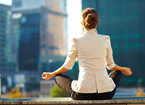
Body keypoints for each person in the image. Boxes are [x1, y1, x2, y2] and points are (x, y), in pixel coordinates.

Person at [42, 8, 132, 100]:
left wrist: (52, 74)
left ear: (82, 23)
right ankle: (106, 84)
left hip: (83, 94)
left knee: (58, 76)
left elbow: (68, 66)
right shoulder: (105, 39)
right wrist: (123, 69)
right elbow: (111, 66)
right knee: (118, 72)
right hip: (106, 93)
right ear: (97, 23)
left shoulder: (76, 40)